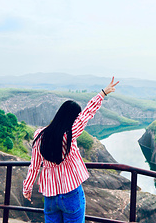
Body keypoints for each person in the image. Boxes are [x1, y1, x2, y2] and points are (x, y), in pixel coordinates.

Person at [23, 77, 119, 223]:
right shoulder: (70, 134)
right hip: (70, 193)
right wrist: (103, 93)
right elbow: (87, 114)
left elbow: (34, 166)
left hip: (50, 196)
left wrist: (27, 187)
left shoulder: (39, 135)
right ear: (72, 119)